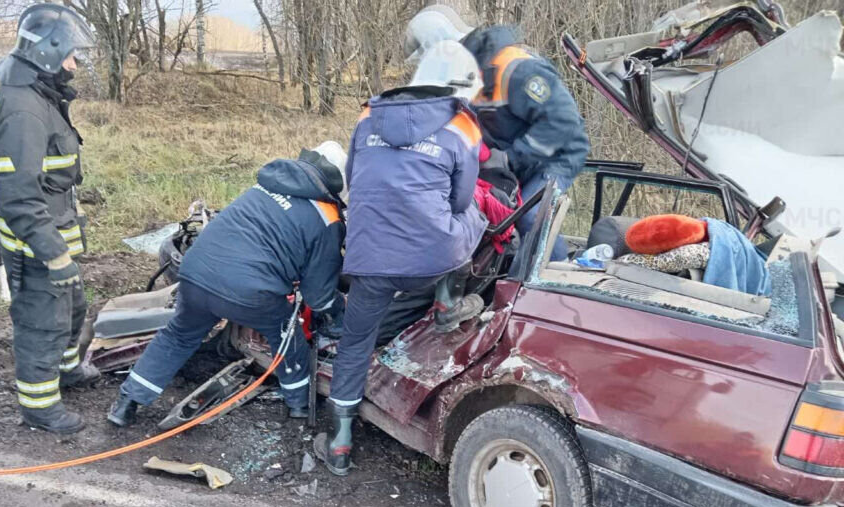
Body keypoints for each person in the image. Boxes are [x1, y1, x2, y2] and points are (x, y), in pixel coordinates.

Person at [320, 40, 487, 477]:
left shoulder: (367, 117)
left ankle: (339, 444)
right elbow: (462, 197)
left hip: (368, 260)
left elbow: (354, 181)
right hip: (433, 259)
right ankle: (447, 302)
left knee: (355, 345)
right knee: (475, 215)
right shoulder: (463, 125)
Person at [107, 142, 348, 428]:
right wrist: (337, 314)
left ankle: (127, 403)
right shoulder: (327, 217)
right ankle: (298, 404)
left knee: (179, 335)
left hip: (196, 273)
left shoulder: (264, 188)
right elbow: (318, 294)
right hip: (252, 290)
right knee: (286, 335)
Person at [0, 3, 99, 434]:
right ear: (48, 51)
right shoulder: (23, 112)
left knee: (72, 307)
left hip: (54, 230)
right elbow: (17, 196)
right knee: (42, 322)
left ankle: (67, 370)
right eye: (71, 54)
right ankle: (39, 406)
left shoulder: (38, 93)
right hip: (34, 243)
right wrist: (53, 254)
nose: (74, 63)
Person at [404, 4, 590, 261]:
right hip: (511, 161)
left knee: (532, 217)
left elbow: (562, 124)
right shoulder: (464, 75)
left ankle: (556, 281)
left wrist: (509, 159)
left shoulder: (516, 69)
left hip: (556, 155)